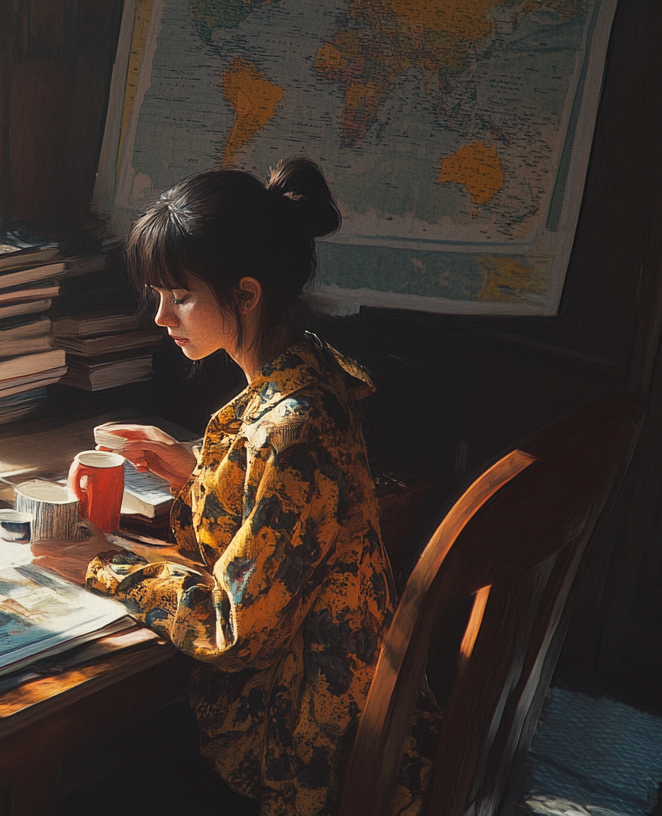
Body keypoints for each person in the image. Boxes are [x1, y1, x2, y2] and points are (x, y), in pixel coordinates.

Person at [86, 158, 437, 816]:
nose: (161, 316)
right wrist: (197, 469)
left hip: (310, 755)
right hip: (341, 707)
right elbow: (284, 506)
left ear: (245, 295)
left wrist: (102, 565)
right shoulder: (307, 367)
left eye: (180, 295)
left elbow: (238, 631)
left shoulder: (294, 428)